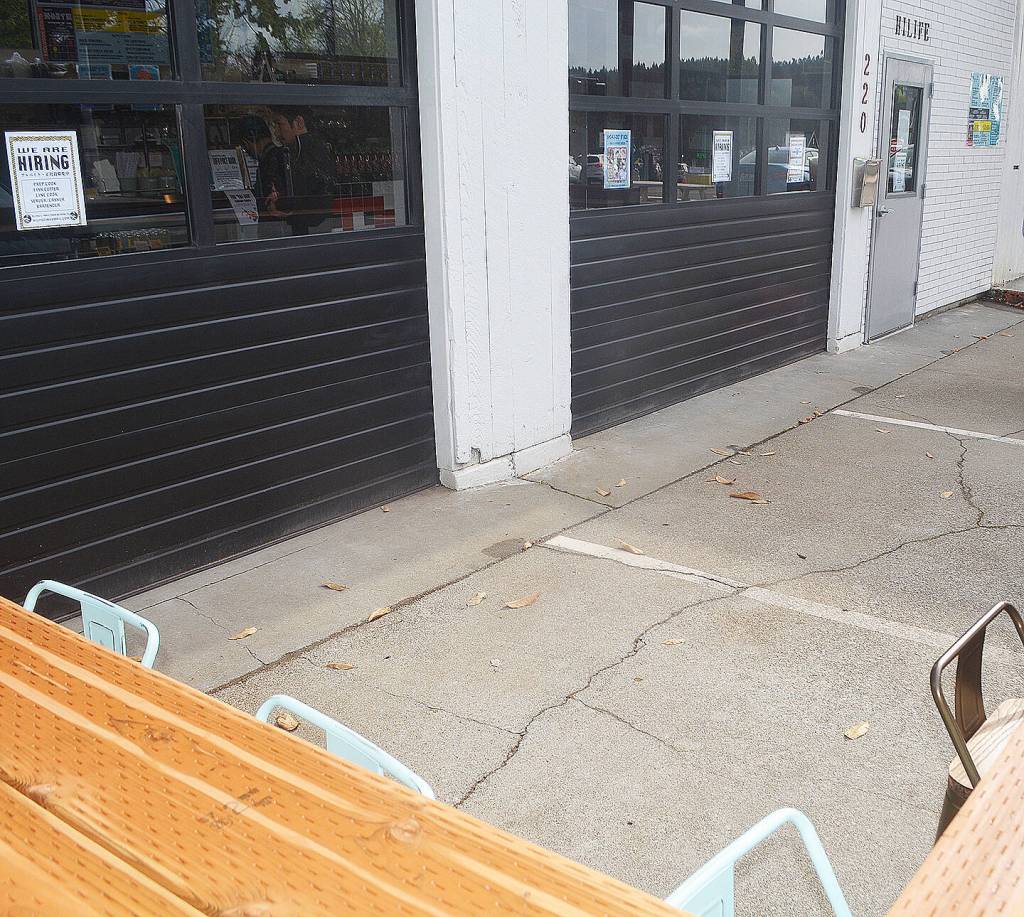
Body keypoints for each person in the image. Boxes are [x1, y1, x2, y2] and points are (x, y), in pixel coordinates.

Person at [268, 105, 337, 234]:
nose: (276, 133)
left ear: (298, 122)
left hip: (312, 228)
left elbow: (311, 192)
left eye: (279, 124)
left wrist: (282, 204)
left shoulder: (310, 151)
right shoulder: (301, 149)